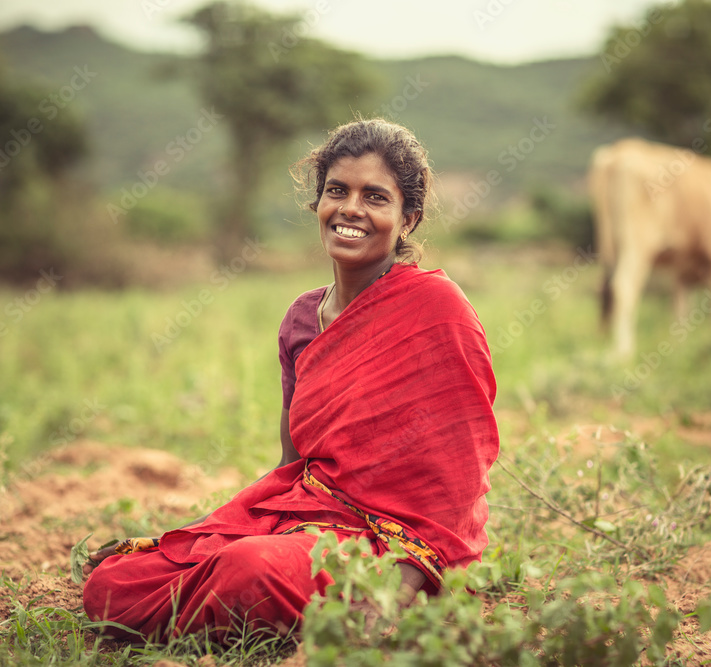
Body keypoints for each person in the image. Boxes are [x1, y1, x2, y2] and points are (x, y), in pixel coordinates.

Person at [82, 118, 500, 643]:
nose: (351, 209)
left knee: (249, 571)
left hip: (398, 549)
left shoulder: (438, 308)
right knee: (115, 582)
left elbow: (457, 483)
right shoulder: (302, 319)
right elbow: (292, 468)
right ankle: (276, 603)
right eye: (336, 191)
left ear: (407, 219)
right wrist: (202, 538)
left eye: (375, 197)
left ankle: (305, 604)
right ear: (318, 205)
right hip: (309, 524)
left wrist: (396, 588)